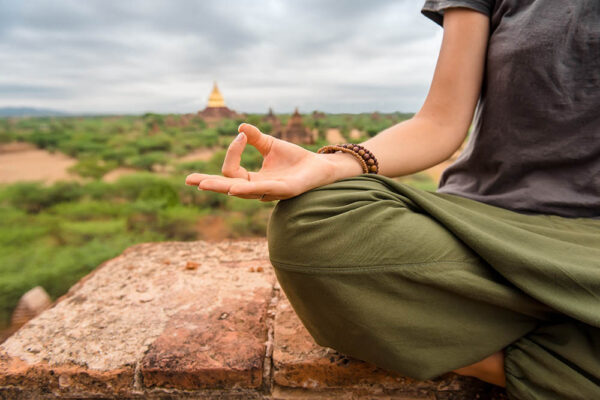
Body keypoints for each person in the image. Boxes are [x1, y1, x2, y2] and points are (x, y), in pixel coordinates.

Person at [186, 1, 600, 398]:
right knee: (309, 220)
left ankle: (542, 364)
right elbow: (440, 121)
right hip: (489, 223)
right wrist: (334, 166)